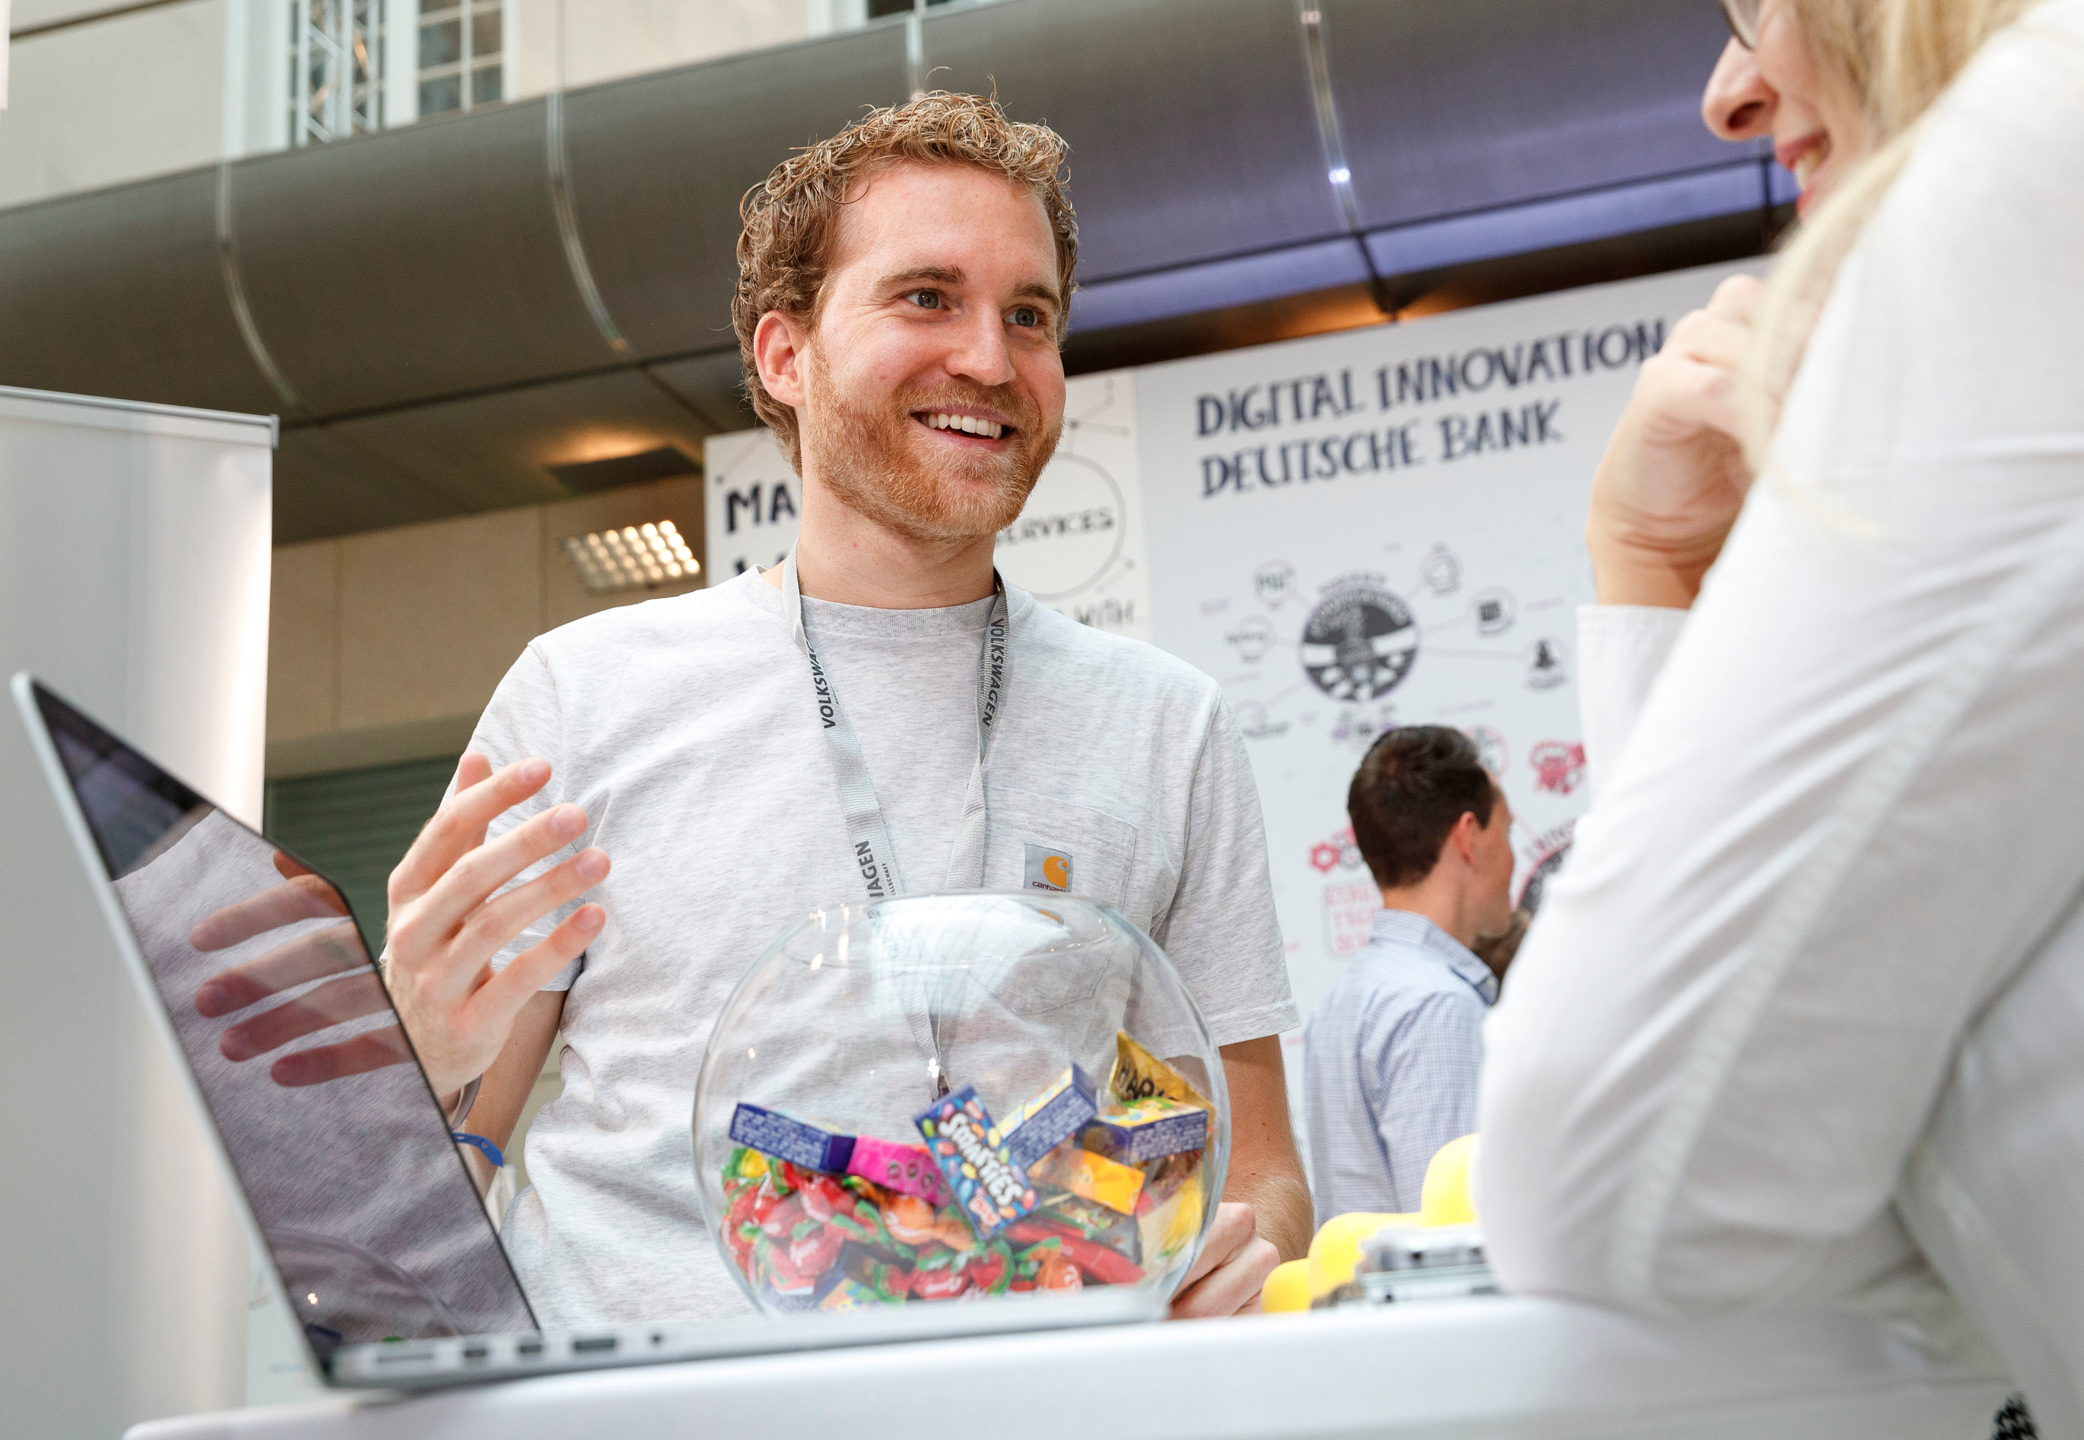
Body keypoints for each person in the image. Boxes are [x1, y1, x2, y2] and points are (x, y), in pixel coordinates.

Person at [204, 93, 1310, 1323]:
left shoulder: (1168, 725)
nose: (991, 361)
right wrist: (407, 1045)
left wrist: (1225, 1255)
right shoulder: (586, 696)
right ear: (785, 357)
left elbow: (1255, 1163)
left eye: (1030, 315)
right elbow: (453, 1157)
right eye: (926, 296)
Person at [1475, 1, 2084, 1435]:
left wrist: (1649, 584)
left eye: (1760, 3)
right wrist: (1659, 579)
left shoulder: (2072, 141)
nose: (1732, 91)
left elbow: (1614, 1183)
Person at [1303, 727, 1517, 1221]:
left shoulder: (1343, 998)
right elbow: (1452, 1232)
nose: (1512, 859)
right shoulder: (1438, 1004)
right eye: (1506, 832)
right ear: (1468, 837)